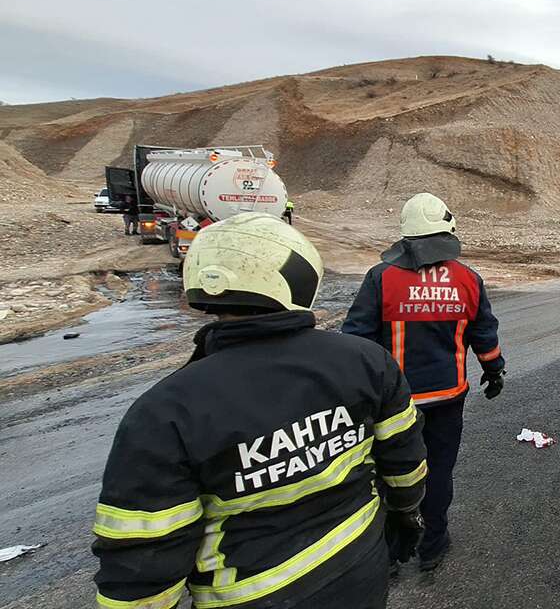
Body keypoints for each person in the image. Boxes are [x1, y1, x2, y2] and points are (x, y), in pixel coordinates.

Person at [93, 213, 428, 609]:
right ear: (300, 277)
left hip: (248, 595)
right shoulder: (364, 361)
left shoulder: (165, 411)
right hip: (359, 569)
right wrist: (407, 513)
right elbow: (404, 460)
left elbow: (143, 562)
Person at [342, 192, 505, 573]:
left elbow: (357, 339)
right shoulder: (468, 279)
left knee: (388, 474)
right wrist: (494, 370)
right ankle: (432, 545)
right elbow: (484, 334)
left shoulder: (381, 278)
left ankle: (391, 551)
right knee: (438, 471)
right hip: (448, 397)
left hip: (393, 404)